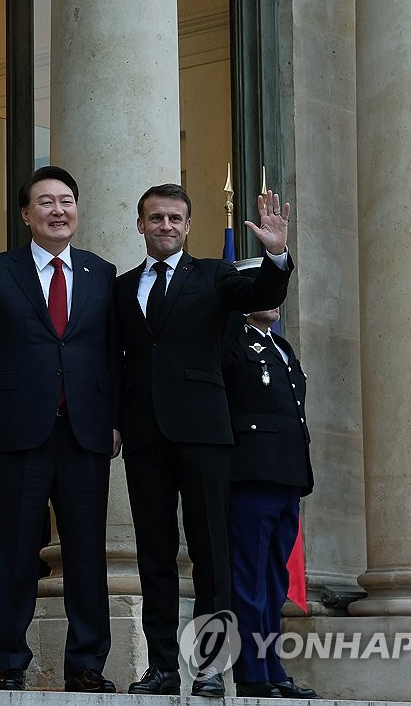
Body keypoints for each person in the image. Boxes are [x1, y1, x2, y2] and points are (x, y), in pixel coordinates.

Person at [115, 183, 291, 698]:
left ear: (189, 227)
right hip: (146, 437)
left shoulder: (216, 275)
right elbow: (117, 360)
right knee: (154, 553)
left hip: (205, 435)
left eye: (175, 218)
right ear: (140, 224)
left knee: (211, 554)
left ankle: (210, 667)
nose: (165, 226)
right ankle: (163, 668)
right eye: (155, 218)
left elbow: (262, 295)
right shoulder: (123, 288)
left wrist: (276, 255)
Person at [0, 165, 119, 693]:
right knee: (14, 549)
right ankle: (8, 662)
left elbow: (114, 357)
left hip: (86, 432)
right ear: (26, 214)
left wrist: (115, 418)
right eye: (46, 202)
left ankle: (87, 665)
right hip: (15, 432)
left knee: (87, 552)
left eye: (67, 201)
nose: (58, 210)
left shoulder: (102, 273)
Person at [222, 303, 317, 699]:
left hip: (287, 475)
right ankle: (252, 671)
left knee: (274, 580)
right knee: (249, 578)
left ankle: (273, 666)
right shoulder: (233, 343)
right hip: (252, 474)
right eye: (264, 292)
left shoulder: (282, 346)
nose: (274, 301)